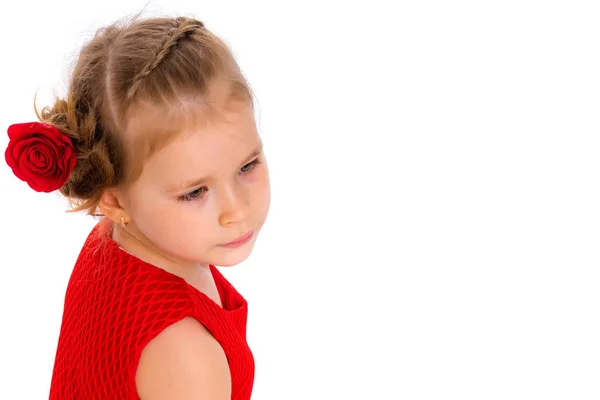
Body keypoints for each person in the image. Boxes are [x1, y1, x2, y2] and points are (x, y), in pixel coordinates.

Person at [4, 13, 270, 400]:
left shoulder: (118, 241)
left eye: (247, 166)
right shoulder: (185, 355)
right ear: (113, 200)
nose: (237, 210)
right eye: (195, 192)